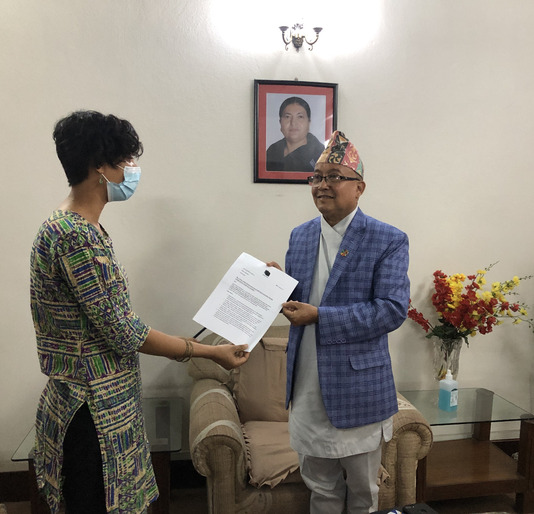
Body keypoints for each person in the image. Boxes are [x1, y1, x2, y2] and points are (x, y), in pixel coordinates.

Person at [30, 110, 250, 514]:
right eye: (126, 162)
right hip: (91, 410)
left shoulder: (76, 228)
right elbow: (123, 333)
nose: (132, 171)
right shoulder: (76, 236)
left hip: (102, 402)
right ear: (100, 167)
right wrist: (210, 352)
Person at [267, 131, 410, 513]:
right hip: (307, 382)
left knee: (364, 492)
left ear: (359, 187)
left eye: (333, 176)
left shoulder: (388, 239)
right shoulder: (300, 236)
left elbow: (392, 309)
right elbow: (299, 300)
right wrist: (274, 286)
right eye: (316, 177)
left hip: (358, 386)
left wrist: (320, 316)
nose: (322, 185)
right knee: (320, 488)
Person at [266, 96, 325, 172]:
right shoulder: (272, 151)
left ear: (309, 122)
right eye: (287, 117)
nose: (293, 123)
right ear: (280, 122)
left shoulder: (320, 154)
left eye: (300, 117)